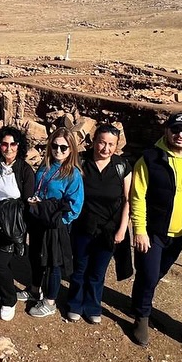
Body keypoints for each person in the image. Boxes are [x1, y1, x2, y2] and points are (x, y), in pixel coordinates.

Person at [128, 112, 182, 346]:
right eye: (175, 130)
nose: (180, 135)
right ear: (166, 131)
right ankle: (141, 317)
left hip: (180, 232)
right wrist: (139, 229)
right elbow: (138, 196)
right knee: (149, 274)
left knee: (158, 273)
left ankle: (138, 304)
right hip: (153, 231)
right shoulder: (150, 158)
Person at [67, 123, 131, 324]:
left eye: (111, 144)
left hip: (109, 230)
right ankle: (74, 304)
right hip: (82, 226)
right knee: (79, 269)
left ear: (117, 145)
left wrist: (122, 229)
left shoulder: (122, 167)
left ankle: (93, 306)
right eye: (102, 143)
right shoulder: (81, 162)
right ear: (93, 141)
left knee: (97, 272)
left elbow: (128, 200)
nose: (106, 149)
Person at [26, 126, 85, 319]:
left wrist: (59, 220)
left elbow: (75, 206)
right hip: (38, 220)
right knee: (36, 255)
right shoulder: (46, 166)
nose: (58, 151)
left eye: (63, 148)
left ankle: (50, 301)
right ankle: (35, 290)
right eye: (54, 146)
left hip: (55, 224)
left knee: (53, 262)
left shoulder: (73, 174)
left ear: (71, 150)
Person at [0, 125, 35, 320]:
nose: (9, 148)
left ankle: (9, 299)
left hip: (12, 224)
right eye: (4, 144)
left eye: (13, 144)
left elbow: (27, 201)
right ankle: (0, 287)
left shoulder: (24, 170)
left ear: (19, 146)